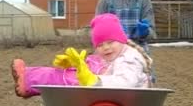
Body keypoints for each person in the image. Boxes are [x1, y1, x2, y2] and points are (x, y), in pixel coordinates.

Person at [11, 13, 153, 98]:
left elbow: (125, 83)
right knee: (67, 72)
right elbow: (95, 66)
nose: (106, 48)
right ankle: (28, 78)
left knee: (69, 79)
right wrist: (73, 64)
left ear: (122, 39)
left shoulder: (129, 59)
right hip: (110, 99)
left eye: (110, 42)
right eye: (100, 45)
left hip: (125, 105)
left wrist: (94, 81)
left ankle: (29, 79)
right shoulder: (113, 56)